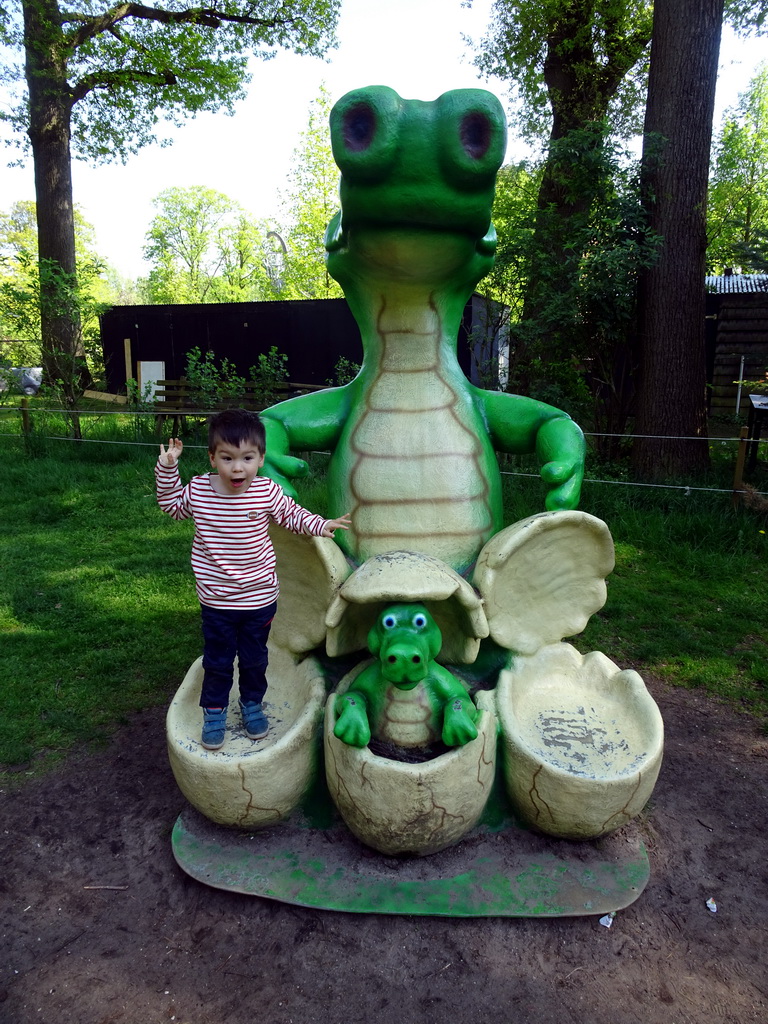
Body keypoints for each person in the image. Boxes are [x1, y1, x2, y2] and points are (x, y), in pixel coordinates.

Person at [155, 408, 351, 751]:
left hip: (260, 599)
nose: (237, 467)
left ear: (260, 459)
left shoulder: (266, 492)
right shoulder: (200, 490)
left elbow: (293, 516)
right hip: (216, 600)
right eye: (228, 458)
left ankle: (251, 706)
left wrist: (322, 524)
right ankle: (214, 712)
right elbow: (171, 505)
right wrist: (168, 468)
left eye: (247, 458)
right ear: (213, 458)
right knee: (217, 660)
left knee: (254, 659)